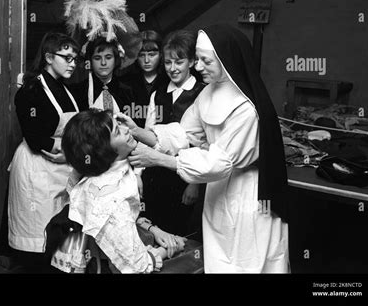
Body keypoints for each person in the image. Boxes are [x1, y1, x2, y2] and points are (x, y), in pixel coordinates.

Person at [117, 24, 289, 273]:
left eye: (205, 60)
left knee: (245, 260)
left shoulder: (245, 110)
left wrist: (158, 159)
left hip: (246, 195)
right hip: (218, 190)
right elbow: (183, 132)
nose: (197, 66)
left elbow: (219, 163)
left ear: (226, 60)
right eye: (197, 59)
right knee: (218, 257)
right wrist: (136, 131)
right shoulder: (208, 92)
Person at [48, 109, 187, 274]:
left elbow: (126, 218)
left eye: (120, 125)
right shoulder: (110, 197)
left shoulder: (101, 172)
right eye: (117, 131)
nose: (127, 129)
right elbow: (139, 267)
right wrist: (168, 249)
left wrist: (153, 230)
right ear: (104, 149)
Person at [7, 31, 81, 271]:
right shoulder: (30, 91)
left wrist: (69, 154)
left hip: (61, 167)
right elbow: (35, 138)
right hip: (36, 168)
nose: (73, 63)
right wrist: (66, 150)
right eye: (67, 57)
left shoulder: (66, 90)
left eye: (75, 58)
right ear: (49, 57)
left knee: (58, 231)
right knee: (36, 234)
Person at [141, 30, 206, 237]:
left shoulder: (202, 93)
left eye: (179, 62)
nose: (172, 68)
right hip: (154, 174)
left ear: (191, 62)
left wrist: (193, 185)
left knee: (178, 233)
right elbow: (147, 136)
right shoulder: (157, 94)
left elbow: (204, 144)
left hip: (183, 178)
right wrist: (138, 174)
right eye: (168, 62)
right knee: (151, 230)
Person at [71, 37, 134, 114]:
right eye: (97, 58)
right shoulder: (78, 92)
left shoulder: (128, 92)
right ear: (90, 61)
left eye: (108, 57)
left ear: (115, 60)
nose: (103, 63)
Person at [120, 30, 169, 127]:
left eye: (151, 55)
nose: (146, 60)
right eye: (141, 55)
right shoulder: (125, 83)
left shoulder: (169, 80)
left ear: (161, 54)